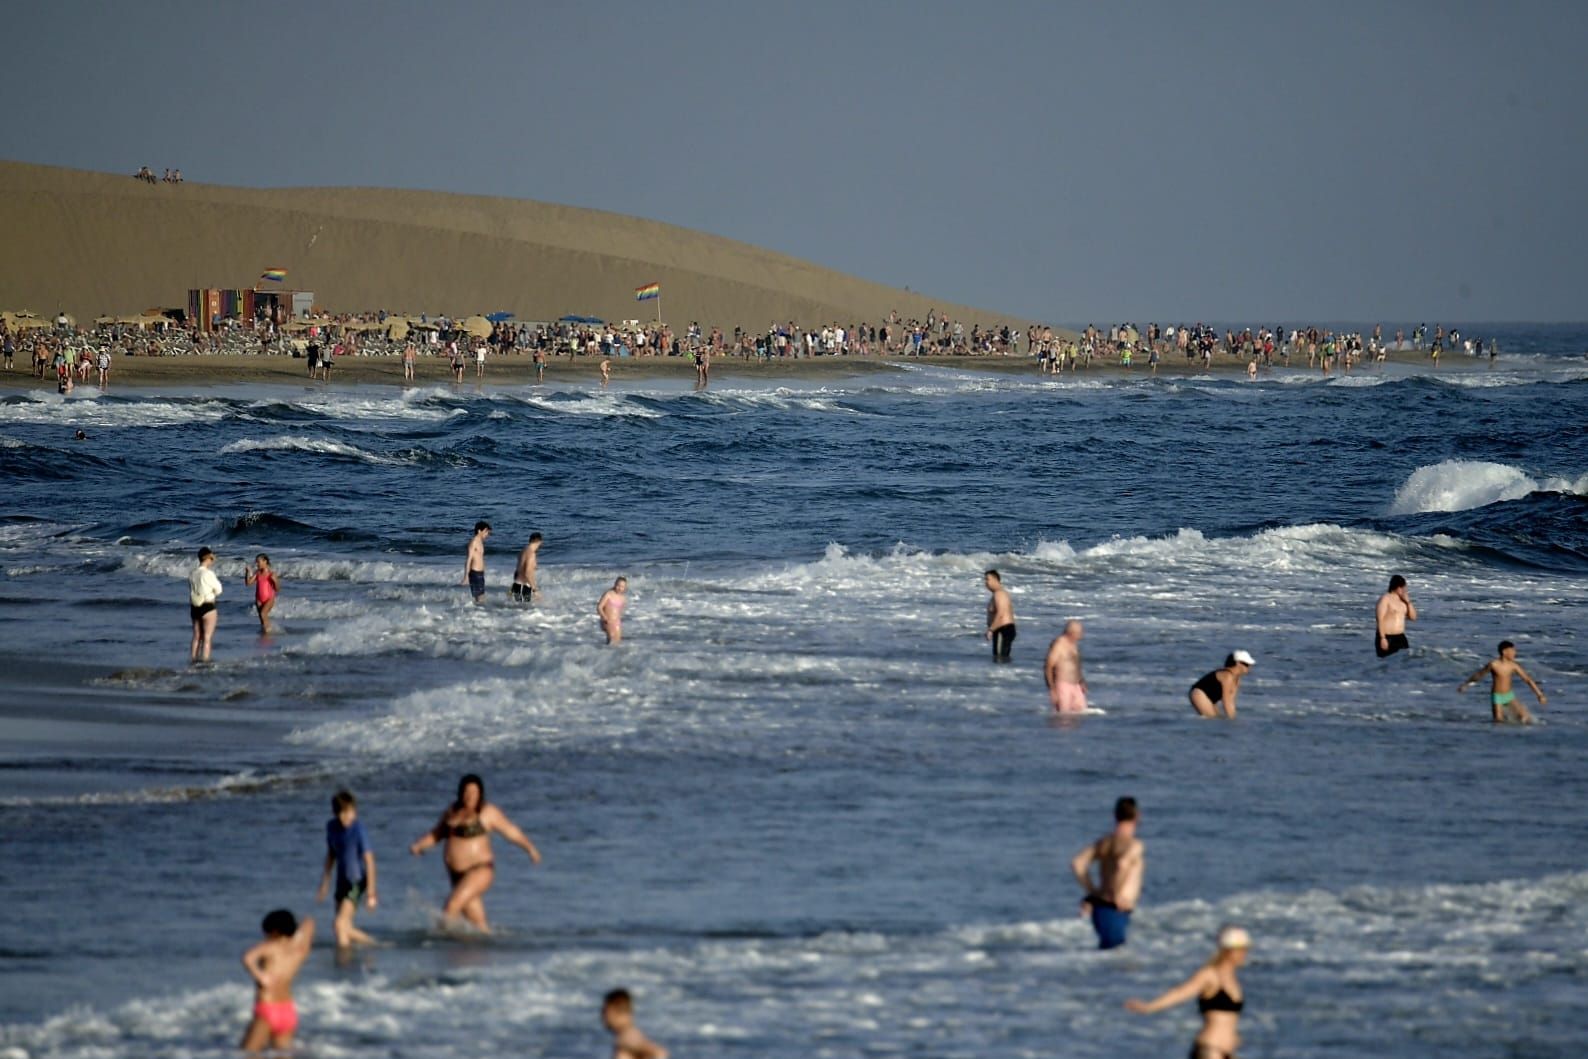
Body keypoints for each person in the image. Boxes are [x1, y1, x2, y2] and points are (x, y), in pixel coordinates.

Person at [408, 773, 541, 932]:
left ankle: (440, 946)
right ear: (460, 793)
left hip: (480, 870)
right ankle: (480, 953)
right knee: (479, 925)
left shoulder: (487, 812)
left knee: (451, 907)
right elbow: (437, 834)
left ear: (480, 794)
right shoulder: (451, 812)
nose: (470, 796)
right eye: (466, 792)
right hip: (457, 875)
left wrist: (530, 848)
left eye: (474, 792)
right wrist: (419, 846)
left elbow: (510, 831)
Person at [1125, 925, 1250, 1059]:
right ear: (1228, 951)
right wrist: (1150, 1007)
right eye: (1241, 950)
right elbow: (1180, 993)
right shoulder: (1209, 975)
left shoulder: (1233, 978)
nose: (1244, 954)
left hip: (1228, 1052)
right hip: (1210, 1050)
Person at [1071, 796, 1144, 949]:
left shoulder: (1103, 843)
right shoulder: (1134, 845)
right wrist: (1115, 893)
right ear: (1137, 816)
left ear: (1115, 815)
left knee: (1107, 960)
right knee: (1119, 963)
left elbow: (1077, 864)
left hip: (1101, 909)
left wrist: (1093, 892)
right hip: (1115, 909)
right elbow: (1122, 864)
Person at [239, 909, 315, 1052]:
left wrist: (260, 975)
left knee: (248, 1054)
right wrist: (296, 932)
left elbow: (247, 958)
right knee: (283, 1054)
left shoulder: (269, 947)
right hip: (288, 1012)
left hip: (268, 1010)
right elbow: (309, 922)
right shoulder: (301, 949)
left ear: (273, 931)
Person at [316, 789, 378, 947]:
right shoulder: (331, 827)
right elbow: (331, 855)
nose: (347, 817)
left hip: (357, 881)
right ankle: (346, 965)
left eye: (350, 812)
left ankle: (375, 946)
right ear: (335, 813)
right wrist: (325, 883)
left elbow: (369, 861)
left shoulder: (358, 830)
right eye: (343, 813)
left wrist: (371, 893)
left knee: (338, 924)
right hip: (341, 882)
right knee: (342, 929)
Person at [1459, 640, 1547, 724]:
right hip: (1497, 697)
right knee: (1498, 721)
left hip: (1509, 696)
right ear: (1505, 652)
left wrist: (1539, 695)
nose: (1514, 653)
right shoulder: (1494, 664)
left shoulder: (1513, 666)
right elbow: (1479, 675)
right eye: (1512, 651)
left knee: (1525, 717)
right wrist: (1466, 684)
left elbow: (1528, 679)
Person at [603, 988, 669, 1059]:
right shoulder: (628, 1035)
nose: (603, 1016)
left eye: (605, 1011)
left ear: (615, 1011)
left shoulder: (627, 1037)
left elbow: (660, 1052)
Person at [1188, 651, 1254, 718]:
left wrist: (1233, 718)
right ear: (1238, 663)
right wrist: (1232, 721)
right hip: (1199, 693)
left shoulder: (1237, 679)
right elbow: (1226, 700)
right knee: (1212, 719)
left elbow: (1231, 701)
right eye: (1247, 665)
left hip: (1211, 698)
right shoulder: (1227, 676)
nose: (1249, 668)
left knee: (1218, 718)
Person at [1044, 620, 1088, 713]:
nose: (1082, 635)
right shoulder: (1059, 645)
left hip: (1076, 686)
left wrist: (1081, 681)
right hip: (1063, 686)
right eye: (1079, 633)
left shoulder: (1073, 644)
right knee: (1064, 717)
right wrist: (1052, 689)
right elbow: (1048, 666)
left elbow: (1075, 664)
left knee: (1081, 714)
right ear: (1071, 633)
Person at [188, 546, 222, 663]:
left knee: (196, 636)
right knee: (207, 638)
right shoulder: (208, 573)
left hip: (195, 606)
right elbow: (219, 590)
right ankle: (205, 661)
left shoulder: (192, 573)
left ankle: (193, 659)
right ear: (208, 558)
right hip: (208, 606)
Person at [1375, 574, 1417, 657]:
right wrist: (1382, 638)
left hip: (1401, 637)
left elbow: (1413, 617)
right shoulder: (1385, 599)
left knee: (1403, 664)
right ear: (1397, 587)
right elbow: (1380, 619)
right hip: (1387, 637)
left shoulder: (1404, 601)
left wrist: (1408, 602)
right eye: (1403, 588)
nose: (1404, 590)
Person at [984, 569, 1016, 662]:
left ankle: (1001, 675)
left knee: (999, 658)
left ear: (995, 579)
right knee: (1001, 657)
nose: (986, 583)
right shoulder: (998, 594)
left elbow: (1001, 614)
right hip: (1002, 629)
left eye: (987, 579)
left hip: (1003, 629)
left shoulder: (999, 594)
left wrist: (991, 630)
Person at [244, 553, 280, 633]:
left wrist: (275, 581)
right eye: (256, 562)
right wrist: (247, 572)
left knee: (263, 614)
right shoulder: (257, 573)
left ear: (265, 561)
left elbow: (277, 589)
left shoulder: (272, 574)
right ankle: (265, 632)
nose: (257, 564)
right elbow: (248, 583)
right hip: (259, 599)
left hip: (269, 598)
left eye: (258, 562)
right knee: (261, 617)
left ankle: (268, 632)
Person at [462, 521, 490, 603]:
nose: (487, 534)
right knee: (480, 598)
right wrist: (466, 577)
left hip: (480, 574)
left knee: (481, 597)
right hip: (474, 573)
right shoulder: (473, 542)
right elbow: (468, 559)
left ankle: (478, 612)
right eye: (486, 531)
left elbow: (480, 558)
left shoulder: (480, 542)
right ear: (479, 531)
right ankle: (478, 613)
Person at [511, 532, 542, 603]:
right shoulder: (531, 554)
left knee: (518, 610)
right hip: (524, 587)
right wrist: (535, 590)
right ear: (539, 542)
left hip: (516, 585)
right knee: (525, 610)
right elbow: (527, 573)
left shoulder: (523, 551)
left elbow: (517, 571)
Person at [598, 577, 628, 644]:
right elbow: (599, 607)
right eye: (618, 585)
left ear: (625, 588)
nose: (620, 588)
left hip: (616, 622)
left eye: (622, 587)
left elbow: (620, 611)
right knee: (611, 640)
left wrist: (618, 620)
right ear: (615, 584)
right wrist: (604, 617)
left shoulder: (623, 598)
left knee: (617, 642)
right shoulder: (608, 594)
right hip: (607, 621)